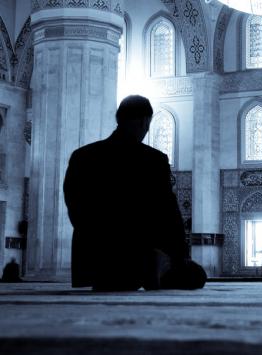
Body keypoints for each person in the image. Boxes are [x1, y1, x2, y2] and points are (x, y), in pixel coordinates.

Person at [63, 95, 206, 291]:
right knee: (195, 276)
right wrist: (179, 258)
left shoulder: (82, 156)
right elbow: (168, 213)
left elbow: (75, 208)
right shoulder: (153, 160)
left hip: (94, 258)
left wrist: (98, 239)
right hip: (138, 258)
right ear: (144, 121)